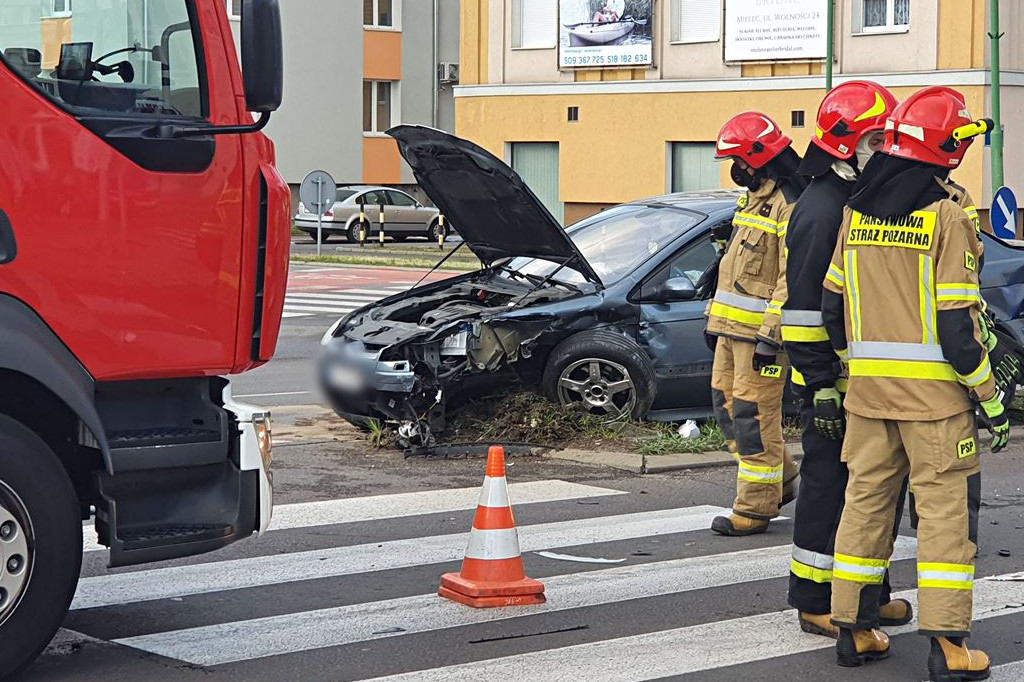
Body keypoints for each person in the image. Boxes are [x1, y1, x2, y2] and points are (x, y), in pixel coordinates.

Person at [821, 86, 1007, 680]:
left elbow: (832, 311)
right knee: (946, 522)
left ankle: (856, 631)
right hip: (935, 407)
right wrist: (990, 396)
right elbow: (957, 328)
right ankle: (950, 647)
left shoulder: (855, 212)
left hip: (869, 399)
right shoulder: (946, 216)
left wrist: (858, 367)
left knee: (864, 509)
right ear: (945, 151)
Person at [781, 81, 914, 638]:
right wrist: (820, 388)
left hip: (860, 381)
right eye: (875, 138)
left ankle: (866, 593)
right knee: (828, 486)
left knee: (871, 489)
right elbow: (804, 311)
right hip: (829, 384)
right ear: (844, 143)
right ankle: (815, 599)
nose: (884, 147)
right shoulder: (821, 209)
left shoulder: (853, 199)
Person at [706, 111, 807, 537]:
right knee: (726, 408)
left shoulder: (789, 203)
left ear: (757, 157)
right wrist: (715, 320)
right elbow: (735, 268)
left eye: (739, 161)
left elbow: (790, 277)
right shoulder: (755, 197)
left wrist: (771, 336)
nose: (736, 170)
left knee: (752, 415)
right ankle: (780, 480)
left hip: (760, 340)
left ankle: (754, 507)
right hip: (731, 330)